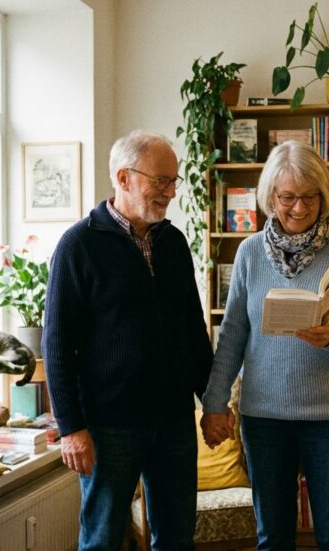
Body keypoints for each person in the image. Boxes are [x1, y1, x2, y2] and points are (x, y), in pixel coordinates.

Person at [201, 141, 329, 550]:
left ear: (324, 196)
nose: (299, 209)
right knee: (273, 536)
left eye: (309, 197)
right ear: (270, 197)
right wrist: (214, 404)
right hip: (264, 418)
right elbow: (231, 335)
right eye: (287, 198)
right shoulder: (248, 253)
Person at [43, 130, 213, 550]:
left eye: (174, 181)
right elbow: (57, 344)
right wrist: (71, 428)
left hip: (174, 420)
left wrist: (212, 402)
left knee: (176, 539)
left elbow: (193, 327)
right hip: (107, 425)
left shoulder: (173, 243)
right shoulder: (77, 245)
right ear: (123, 177)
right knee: (102, 539)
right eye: (161, 181)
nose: (170, 192)